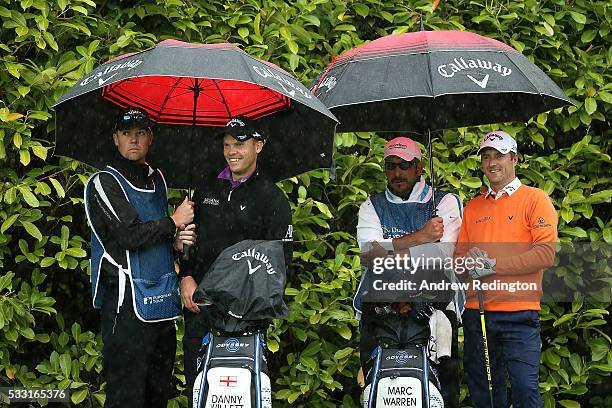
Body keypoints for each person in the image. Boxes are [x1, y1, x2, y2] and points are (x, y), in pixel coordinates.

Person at [84, 107, 196, 408]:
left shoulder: (158, 180)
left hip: (161, 304)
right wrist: (172, 222)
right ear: (115, 139)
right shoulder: (103, 183)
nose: (133, 140)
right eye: (126, 133)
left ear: (150, 138)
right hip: (124, 307)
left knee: (157, 393)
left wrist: (175, 241)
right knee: (127, 397)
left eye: (141, 133)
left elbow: (154, 237)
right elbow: (129, 236)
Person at [179, 116, 293, 406]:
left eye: (240, 144)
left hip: (246, 317)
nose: (232, 151)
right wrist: (186, 276)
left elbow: (278, 266)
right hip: (201, 307)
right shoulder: (205, 191)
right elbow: (191, 244)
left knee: (243, 394)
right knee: (199, 392)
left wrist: (244, 303)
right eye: (227, 144)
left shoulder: (273, 199)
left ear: (259, 145)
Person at [356, 136, 463, 408]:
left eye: (404, 166)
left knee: (444, 388)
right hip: (381, 310)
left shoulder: (445, 202)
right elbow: (369, 257)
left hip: (436, 309)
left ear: (419, 168)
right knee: (377, 387)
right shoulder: (371, 205)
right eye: (390, 166)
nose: (397, 173)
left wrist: (390, 251)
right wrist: (421, 236)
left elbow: (442, 256)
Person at [455, 130, 558, 408]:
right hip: (479, 315)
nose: (492, 163)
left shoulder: (535, 199)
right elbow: (458, 264)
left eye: (499, 155)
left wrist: (492, 266)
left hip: (520, 315)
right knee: (485, 395)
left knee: (525, 391)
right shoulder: (473, 207)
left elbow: (545, 254)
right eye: (486, 157)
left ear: (514, 159)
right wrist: (469, 263)